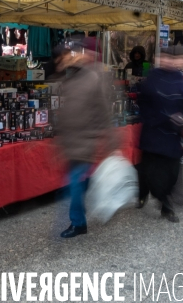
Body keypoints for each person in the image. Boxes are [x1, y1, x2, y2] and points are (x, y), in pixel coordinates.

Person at [54, 44, 110, 238]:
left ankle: (78, 223)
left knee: (74, 184)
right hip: (71, 144)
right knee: (74, 184)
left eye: (66, 56)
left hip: (84, 143)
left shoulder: (93, 77)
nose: (63, 61)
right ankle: (80, 216)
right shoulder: (69, 80)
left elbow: (103, 111)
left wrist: (100, 136)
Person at [137, 45, 183, 223]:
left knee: (172, 173)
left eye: (171, 58)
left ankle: (162, 199)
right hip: (154, 134)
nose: (168, 61)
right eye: (165, 58)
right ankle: (165, 205)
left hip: (172, 135)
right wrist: (164, 117)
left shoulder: (179, 78)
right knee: (152, 173)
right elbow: (144, 104)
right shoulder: (152, 78)